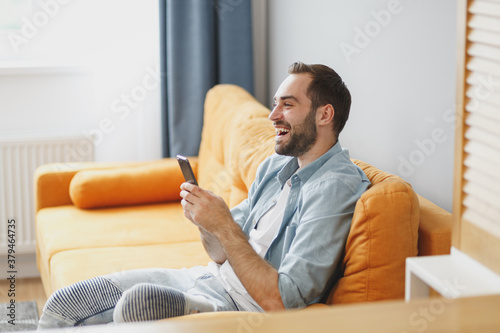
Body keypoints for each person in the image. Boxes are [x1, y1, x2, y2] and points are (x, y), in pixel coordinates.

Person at [37, 62, 370, 329]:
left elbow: (284, 301)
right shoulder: (275, 166)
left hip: (240, 307)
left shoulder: (335, 187)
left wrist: (224, 225)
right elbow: (220, 254)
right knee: (65, 304)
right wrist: (205, 220)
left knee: (135, 306)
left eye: (288, 105)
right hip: (205, 278)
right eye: (274, 104)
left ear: (325, 115)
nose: (272, 116)